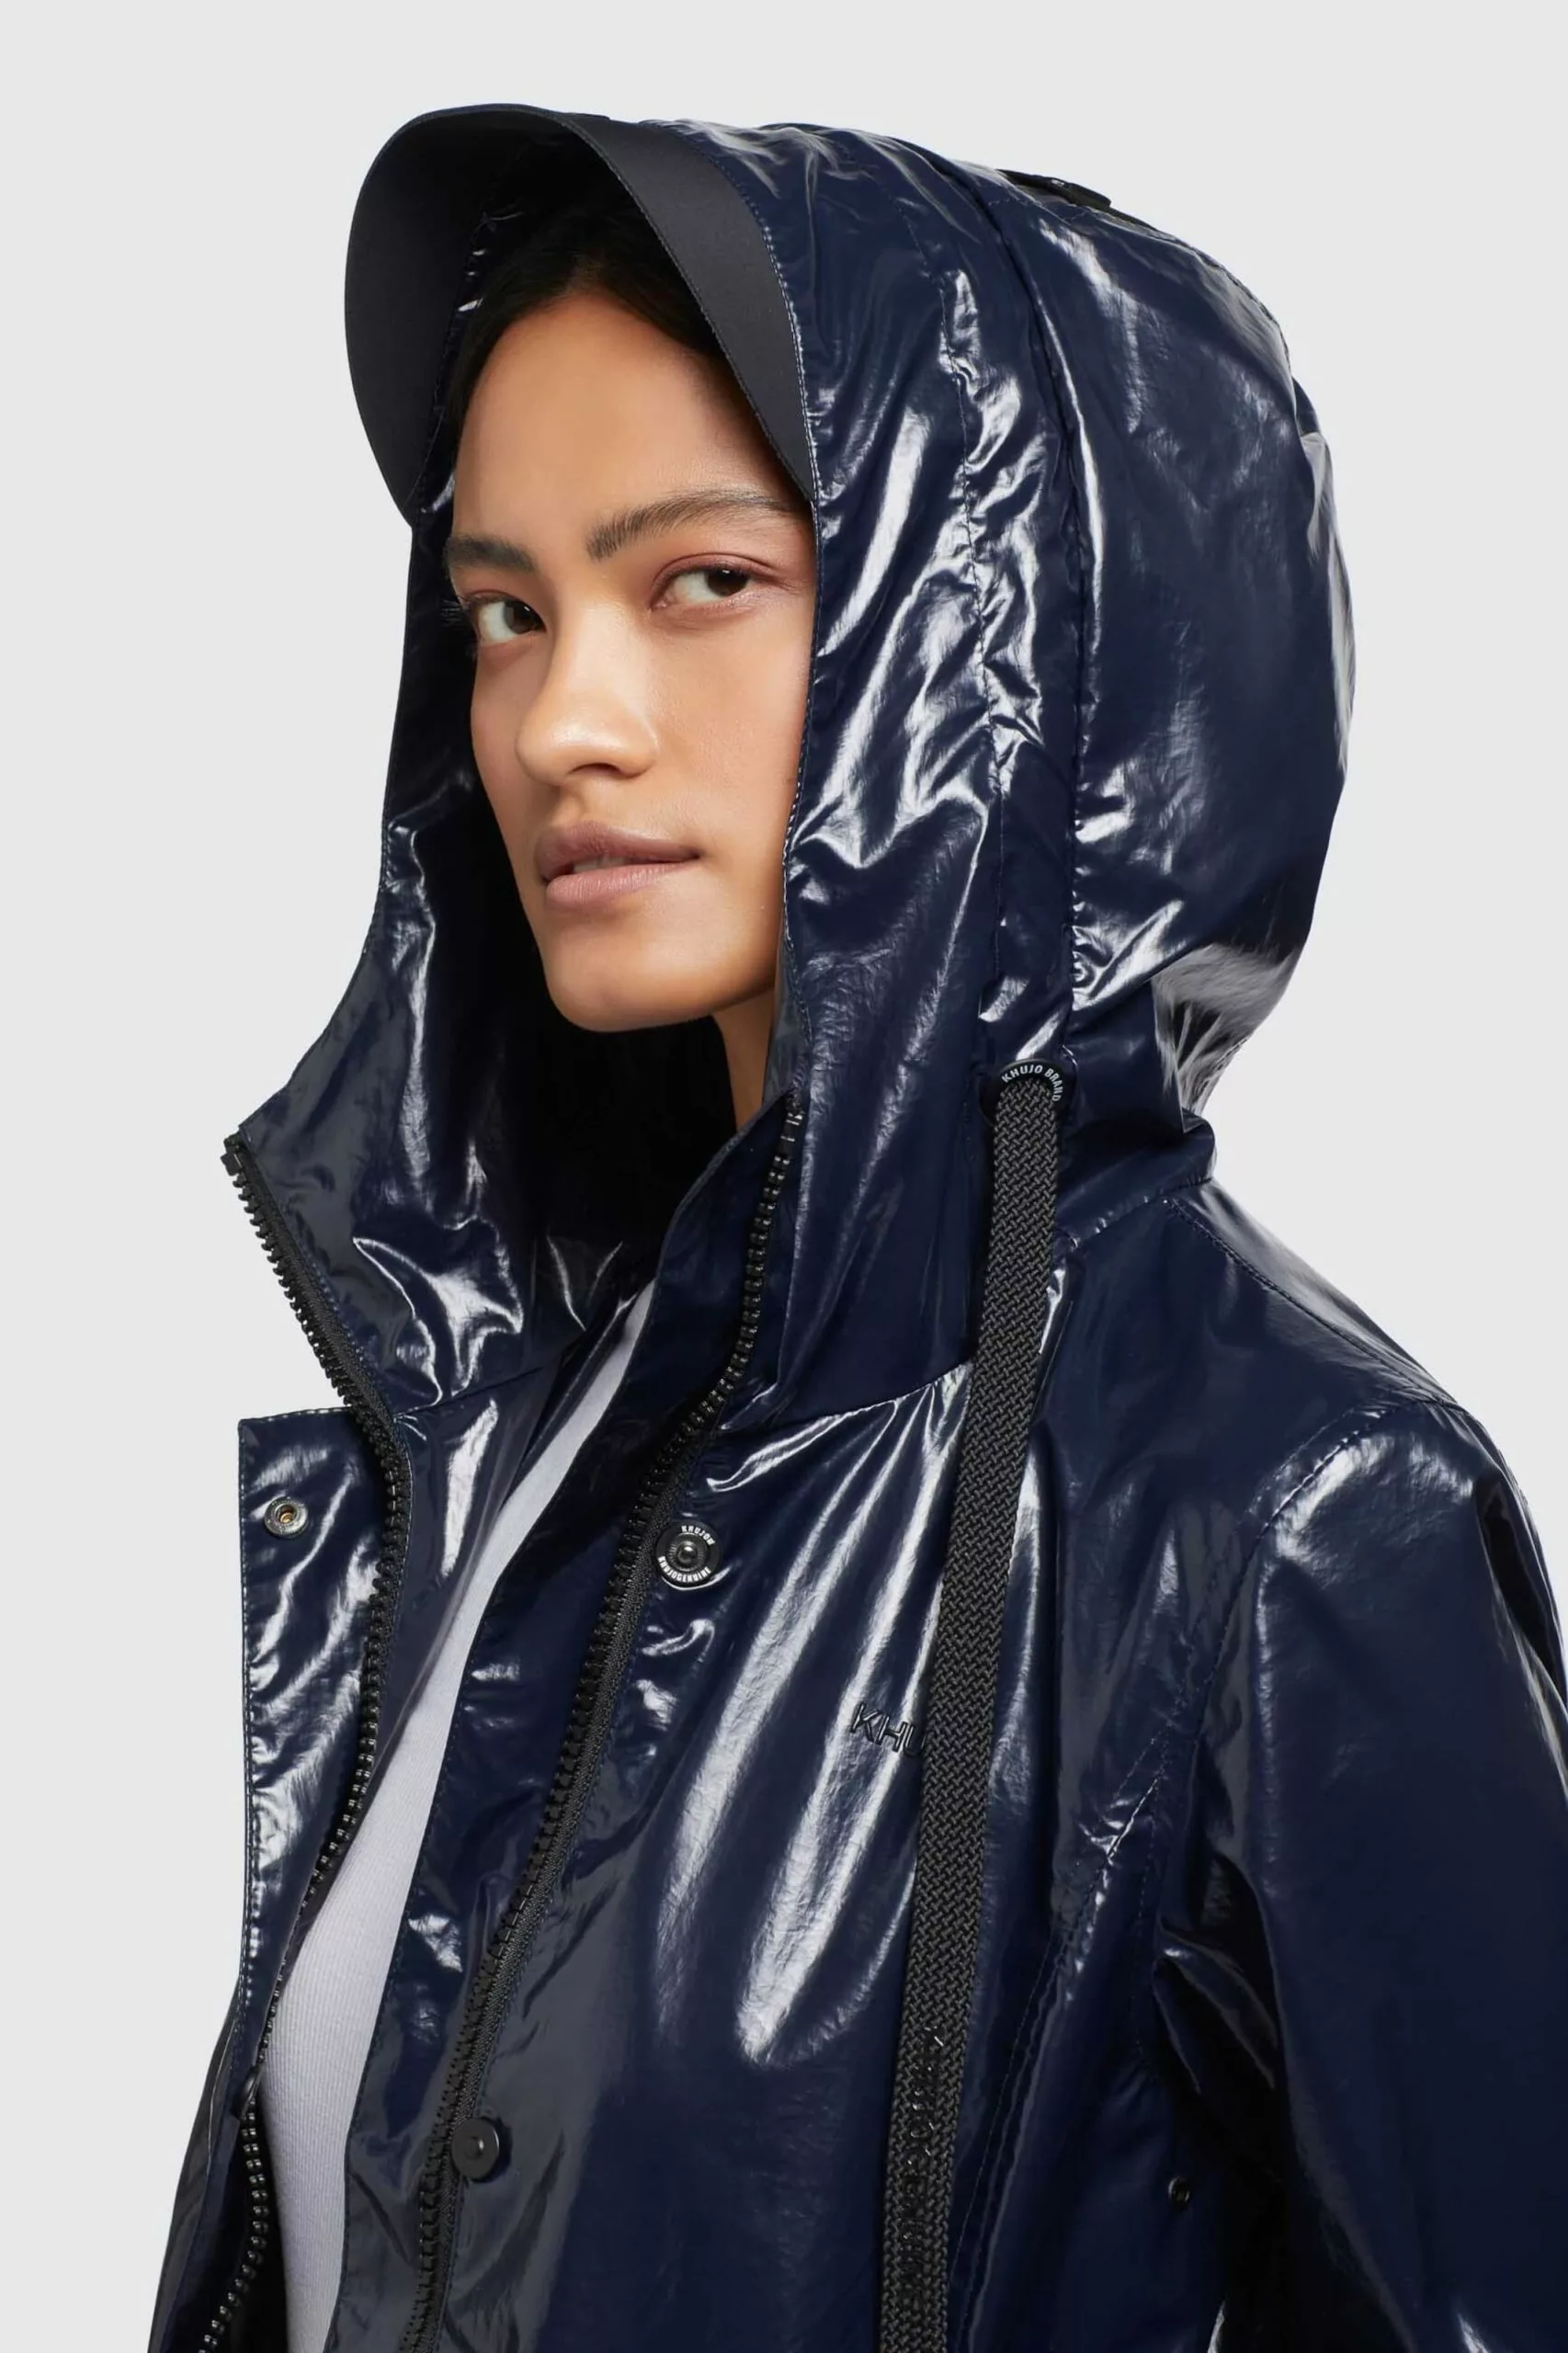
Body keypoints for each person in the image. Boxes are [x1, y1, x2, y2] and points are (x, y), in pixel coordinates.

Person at [147, 101, 1568, 2353]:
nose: (561, 721)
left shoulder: (1298, 1512)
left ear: (1019, 647)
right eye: (505, 612)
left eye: (701, 582)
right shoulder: (517, 1421)